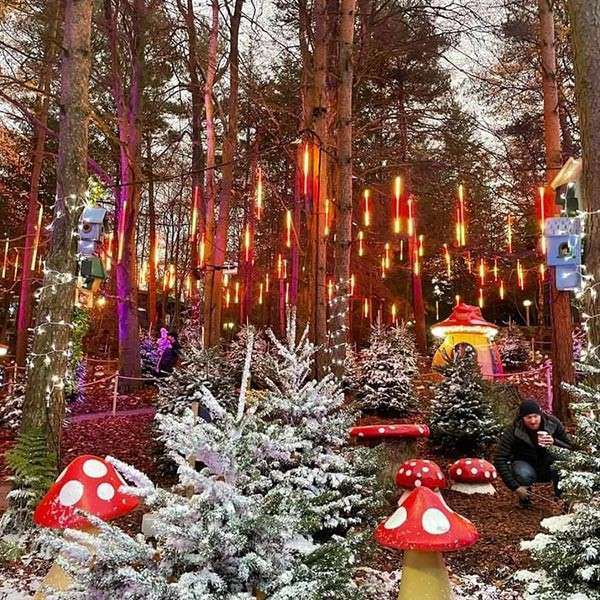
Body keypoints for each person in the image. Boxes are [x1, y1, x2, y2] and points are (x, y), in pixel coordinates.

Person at [494, 399, 572, 507]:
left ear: (540, 414)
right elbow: (499, 458)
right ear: (522, 418)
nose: (533, 421)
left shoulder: (553, 423)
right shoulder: (514, 430)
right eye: (528, 417)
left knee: (561, 461)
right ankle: (525, 498)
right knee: (523, 473)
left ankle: (563, 500)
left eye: (535, 416)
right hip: (525, 465)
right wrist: (515, 487)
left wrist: (554, 441)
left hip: (549, 466)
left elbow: (571, 448)